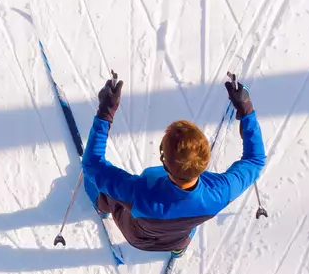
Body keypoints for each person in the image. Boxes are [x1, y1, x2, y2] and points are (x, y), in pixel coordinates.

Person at [82, 73, 266, 257]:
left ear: (163, 159)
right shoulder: (218, 193)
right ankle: (179, 249)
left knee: (108, 189)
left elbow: (92, 164)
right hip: (179, 237)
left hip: (137, 237)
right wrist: (246, 109)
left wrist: (106, 112)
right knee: (184, 228)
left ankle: (102, 206)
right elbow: (255, 160)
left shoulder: (138, 192)